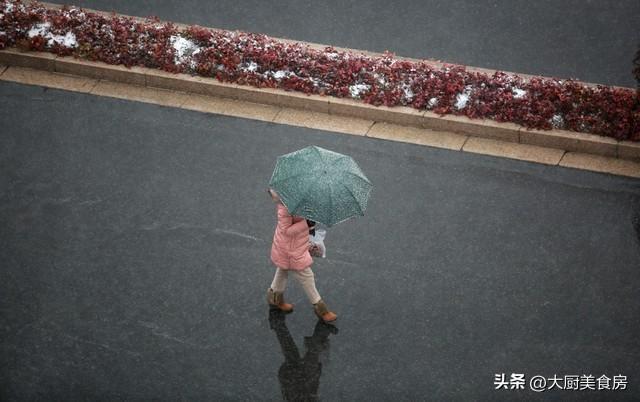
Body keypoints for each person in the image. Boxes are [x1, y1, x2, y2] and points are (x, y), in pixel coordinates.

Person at [266, 188, 337, 323]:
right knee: (307, 277)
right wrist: (306, 223)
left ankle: (274, 298)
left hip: (294, 246)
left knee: (282, 271)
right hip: (290, 249)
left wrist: (310, 225)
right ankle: (321, 310)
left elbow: (302, 222)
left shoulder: (301, 201)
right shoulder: (285, 208)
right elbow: (287, 231)